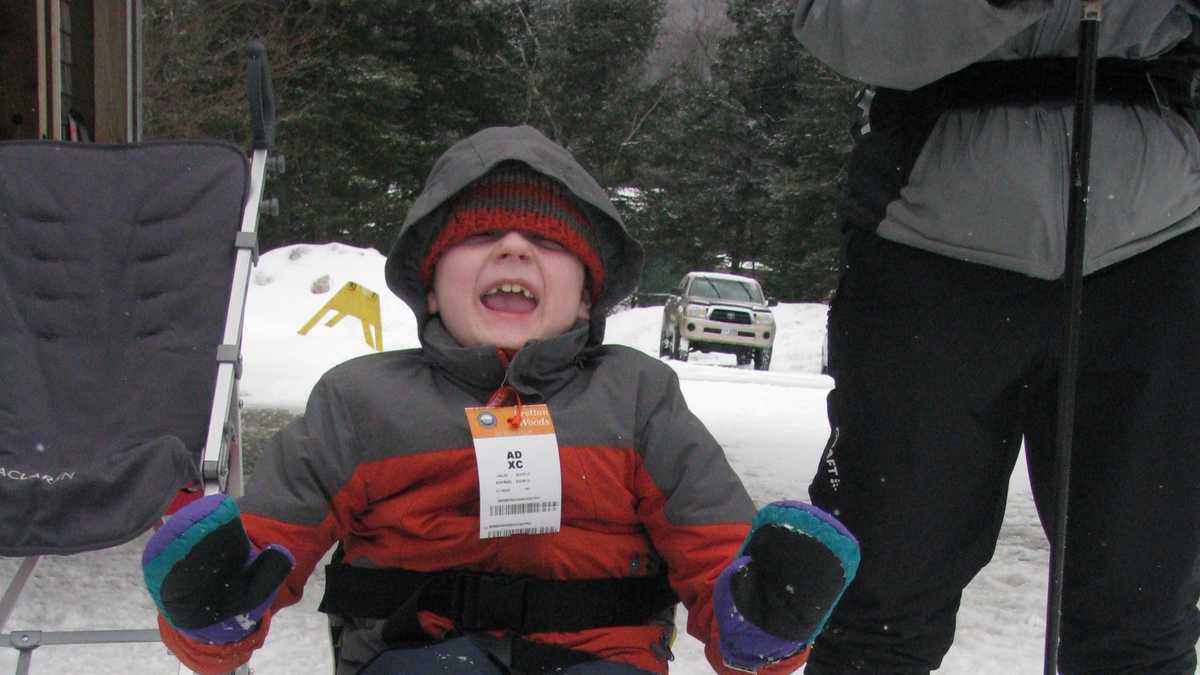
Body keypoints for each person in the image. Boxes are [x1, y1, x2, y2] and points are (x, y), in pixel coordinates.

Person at [141, 124, 860, 675]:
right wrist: (216, 605)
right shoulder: (360, 403)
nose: (513, 248)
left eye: (547, 241)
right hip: (415, 654)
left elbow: (713, 547)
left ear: (588, 293)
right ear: (429, 280)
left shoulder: (638, 399)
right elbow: (272, 542)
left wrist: (757, 617)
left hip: (601, 660)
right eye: (481, 233)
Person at [792, 2, 1200, 674]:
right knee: (880, 601)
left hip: (1158, 241)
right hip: (928, 242)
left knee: (1143, 611)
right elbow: (836, 24)